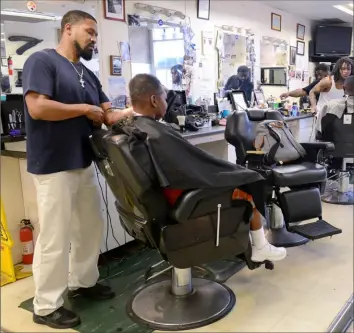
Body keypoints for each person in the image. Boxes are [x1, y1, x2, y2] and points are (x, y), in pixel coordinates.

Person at [22, 10, 131, 329]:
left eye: (96, 34)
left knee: (90, 225)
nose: (94, 39)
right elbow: (37, 108)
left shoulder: (88, 74)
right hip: (53, 163)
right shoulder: (42, 61)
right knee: (55, 235)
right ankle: (45, 306)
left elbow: (107, 115)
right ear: (67, 29)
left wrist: (137, 109)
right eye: (90, 32)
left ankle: (82, 282)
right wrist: (84, 109)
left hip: (83, 160)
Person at [116, 73, 287, 263]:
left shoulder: (136, 128)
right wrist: (231, 172)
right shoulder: (156, 134)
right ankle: (260, 247)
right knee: (250, 182)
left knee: (237, 174)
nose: (167, 102)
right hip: (184, 196)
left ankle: (251, 242)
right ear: (154, 100)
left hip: (162, 193)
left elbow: (187, 163)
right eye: (165, 98)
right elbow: (193, 165)